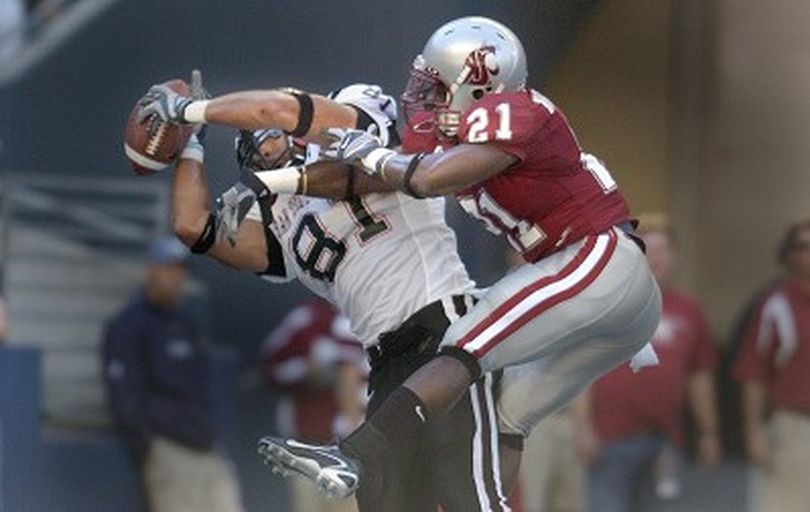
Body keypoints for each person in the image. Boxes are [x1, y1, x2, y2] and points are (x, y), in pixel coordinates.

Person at [249, 16, 662, 502]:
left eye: (438, 86)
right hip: (605, 292)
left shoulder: (517, 110)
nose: (424, 97)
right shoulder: (459, 129)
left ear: (480, 85)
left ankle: (355, 454)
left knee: (462, 342)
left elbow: (425, 178)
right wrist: (282, 182)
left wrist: (374, 155)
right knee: (508, 415)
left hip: (597, 257)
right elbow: (384, 177)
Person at [144, 81, 511, 510]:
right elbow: (193, 227)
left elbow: (314, 150)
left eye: (275, 134)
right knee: (386, 502)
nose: (266, 145)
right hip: (386, 361)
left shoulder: (357, 125)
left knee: (469, 499)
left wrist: (193, 110)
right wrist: (193, 145)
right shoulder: (283, 224)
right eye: (255, 146)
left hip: (447, 332)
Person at [573, 214, 720, 512]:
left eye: (663, 251)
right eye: (648, 251)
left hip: (665, 441)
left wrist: (709, 431)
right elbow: (582, 370)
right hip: (610, 442)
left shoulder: (689, 309)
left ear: (676, 257)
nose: (656, 259)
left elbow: (700, 376)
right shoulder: (606, 303)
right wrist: (583, 428)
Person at [101, 236, 243, 512]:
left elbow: (201, 387)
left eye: (180, 271)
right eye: (169, 268)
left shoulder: (186, 323)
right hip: (168, 444)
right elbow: (123, 393)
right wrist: (147, 447)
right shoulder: (129, 325)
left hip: (205, 443)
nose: (176, 278)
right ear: (151, 270)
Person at [733, 219, 810, 512]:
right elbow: (753, 373)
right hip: (794, 428)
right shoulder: (776, 304)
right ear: (789, 255)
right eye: (803, 246)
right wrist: (753, 432)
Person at [262, 298, 367, 512]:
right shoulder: (306, 317)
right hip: (311, 446)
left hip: (355, 449)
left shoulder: (373, 313)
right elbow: (270, 366)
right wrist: (306, 370)